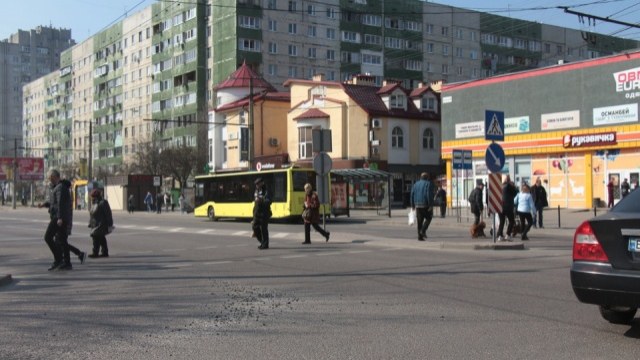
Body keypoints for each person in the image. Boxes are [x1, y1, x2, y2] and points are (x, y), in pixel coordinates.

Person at [38, 169, 74, 271]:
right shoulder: (57, 187)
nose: (49, 180)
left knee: (48, 237)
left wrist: (60, 218)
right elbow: (54, 203)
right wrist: (45, 204)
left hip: (59, 217)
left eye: (50, 177)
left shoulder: (60, 188)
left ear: (54, 176)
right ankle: (65, 262)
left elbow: (60, 204)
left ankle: (60, 260)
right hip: (59, 216)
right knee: (62, 240)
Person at [88, 189, 113, 258]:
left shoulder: (103, 202)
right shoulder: (94, 203)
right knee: (101, 237)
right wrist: (90, 223)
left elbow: (108, 214)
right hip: (95, 223)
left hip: (101, 224)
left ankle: (95, 252)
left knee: (95, 237)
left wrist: (110, 224)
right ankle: (105, 252)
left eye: (93, 197)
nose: (92, 198)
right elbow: (92, 214)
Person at [410, 172, 435, 241]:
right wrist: (430, 205)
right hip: (425, 205)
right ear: (427, 177)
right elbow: (428, 195)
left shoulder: (415, 184)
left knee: (419, 221)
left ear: (421, 177)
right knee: (429, 218)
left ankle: (420, 237)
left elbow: (412, 194)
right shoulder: (428, 184)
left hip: (417, 205)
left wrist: (412, 205)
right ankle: (423, 231)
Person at [252, 178, 272, 250]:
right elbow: (255, 201)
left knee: (264, 229)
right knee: (255, 227)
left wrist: (261, 200)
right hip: (257, 212)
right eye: (256, 184)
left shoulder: (266, 190)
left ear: (262, 183)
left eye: (258, 184)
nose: (256, 185)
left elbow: (269, 201)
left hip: (264, 212)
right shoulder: (256, 190)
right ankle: (262, 241)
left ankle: (265, 244)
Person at [497, 175, 518, 241]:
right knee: (511, 221)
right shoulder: (509, 186)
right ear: (508, 180)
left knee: (502, 221)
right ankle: (508, 235)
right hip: (508, 207)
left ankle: (500, 236)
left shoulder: (500, 186)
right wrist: (513, 186)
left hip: (500, 206)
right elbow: (515, 193)